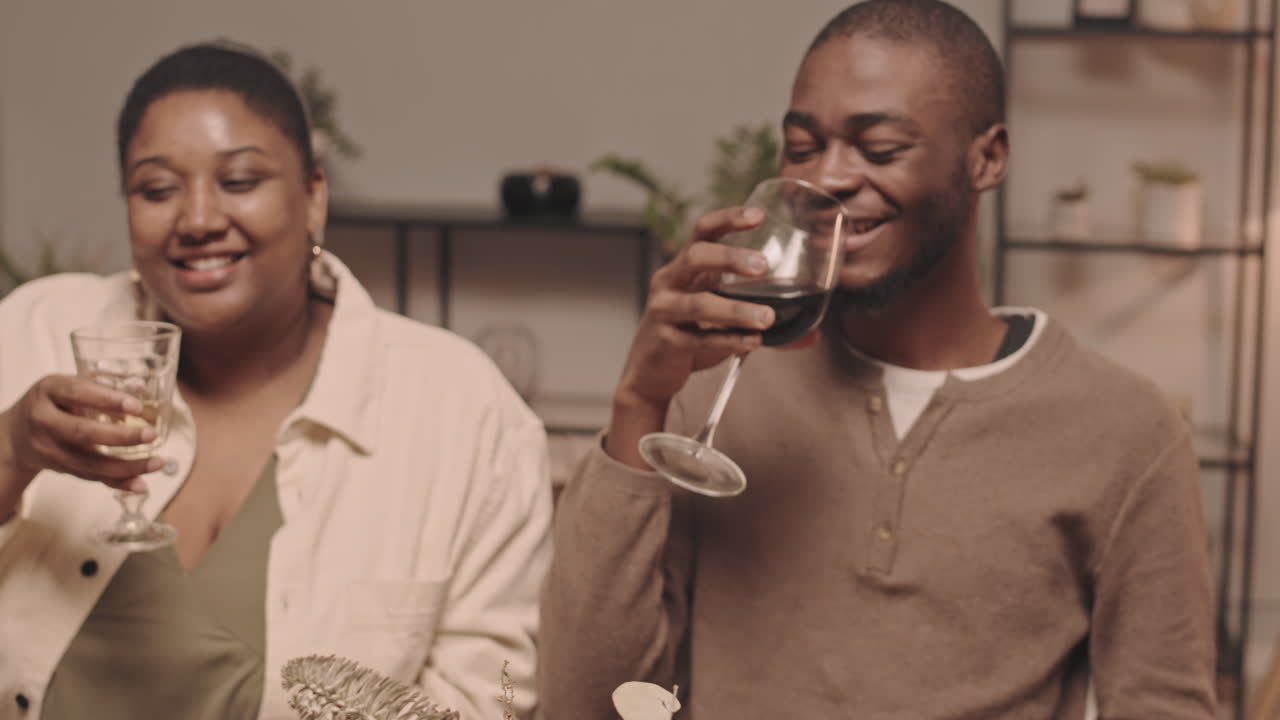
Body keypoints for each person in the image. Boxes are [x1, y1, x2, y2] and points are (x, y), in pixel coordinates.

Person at [539, 1, 1216, 717]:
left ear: (987, 158)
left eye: (881, 148)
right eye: (802, 148)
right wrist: (637, 404)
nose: (830, 176)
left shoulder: (1126, 433)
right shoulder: (713, 391)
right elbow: (588, 705)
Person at [0, 41, 551, 720]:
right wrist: (11, 451)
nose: (198, 219)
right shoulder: (39, 331)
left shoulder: (459, 409)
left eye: (239, 182)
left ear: (313, 195)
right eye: (157, 189)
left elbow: (491, 696)